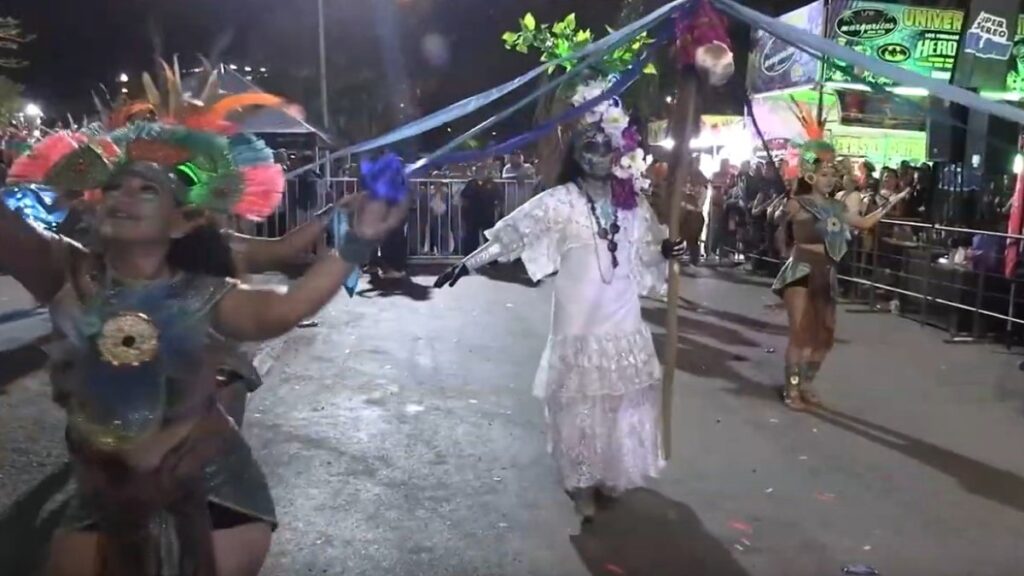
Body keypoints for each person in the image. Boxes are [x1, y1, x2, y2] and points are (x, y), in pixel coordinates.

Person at [2, 70, 408, 575]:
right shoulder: (67, 271)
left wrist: (355, 239)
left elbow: (284, 305)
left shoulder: (204, 288)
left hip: (211, 493)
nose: (123, 196)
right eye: (114, 186)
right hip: (106, 493)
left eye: (146, 190)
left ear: (181, 220)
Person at [434, 79, 686, 521]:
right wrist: (467, 263)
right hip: (577, 320)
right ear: (575, 155)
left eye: (603, 146)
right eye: (585, 146)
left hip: (622, 317)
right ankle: (581, 482)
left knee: (619, 399)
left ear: (617, 153)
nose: (595, 154)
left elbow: (649, 249)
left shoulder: (633, 204)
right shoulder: (560, 201)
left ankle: (611, 471)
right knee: (579, 403)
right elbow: (513, 233)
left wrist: (669, 251)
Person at [773, 138, 909, 411]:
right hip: (800, 269)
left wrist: (891, 202)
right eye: (823, 173)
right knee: (799, 334)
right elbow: (776, 222)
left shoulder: (836, 208)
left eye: (832, 173)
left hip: (826, 271)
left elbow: (865, 222)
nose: (829, 178)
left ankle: (806, 383)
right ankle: (792, 389)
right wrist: (782, 226)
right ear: (810, 175)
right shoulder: (796, 204)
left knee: (825, 336)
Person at [457, 165, 501, 255]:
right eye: (478, 171)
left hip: (487, 215)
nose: (480, 173)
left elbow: (499, 198)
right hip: (472, 215)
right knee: (471, 238)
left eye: (482, 170)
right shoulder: (471, 183)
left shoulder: (492, 184)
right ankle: (468, 256)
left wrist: (497, 210)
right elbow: (464, 197)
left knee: (488, 237)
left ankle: (492, 258)